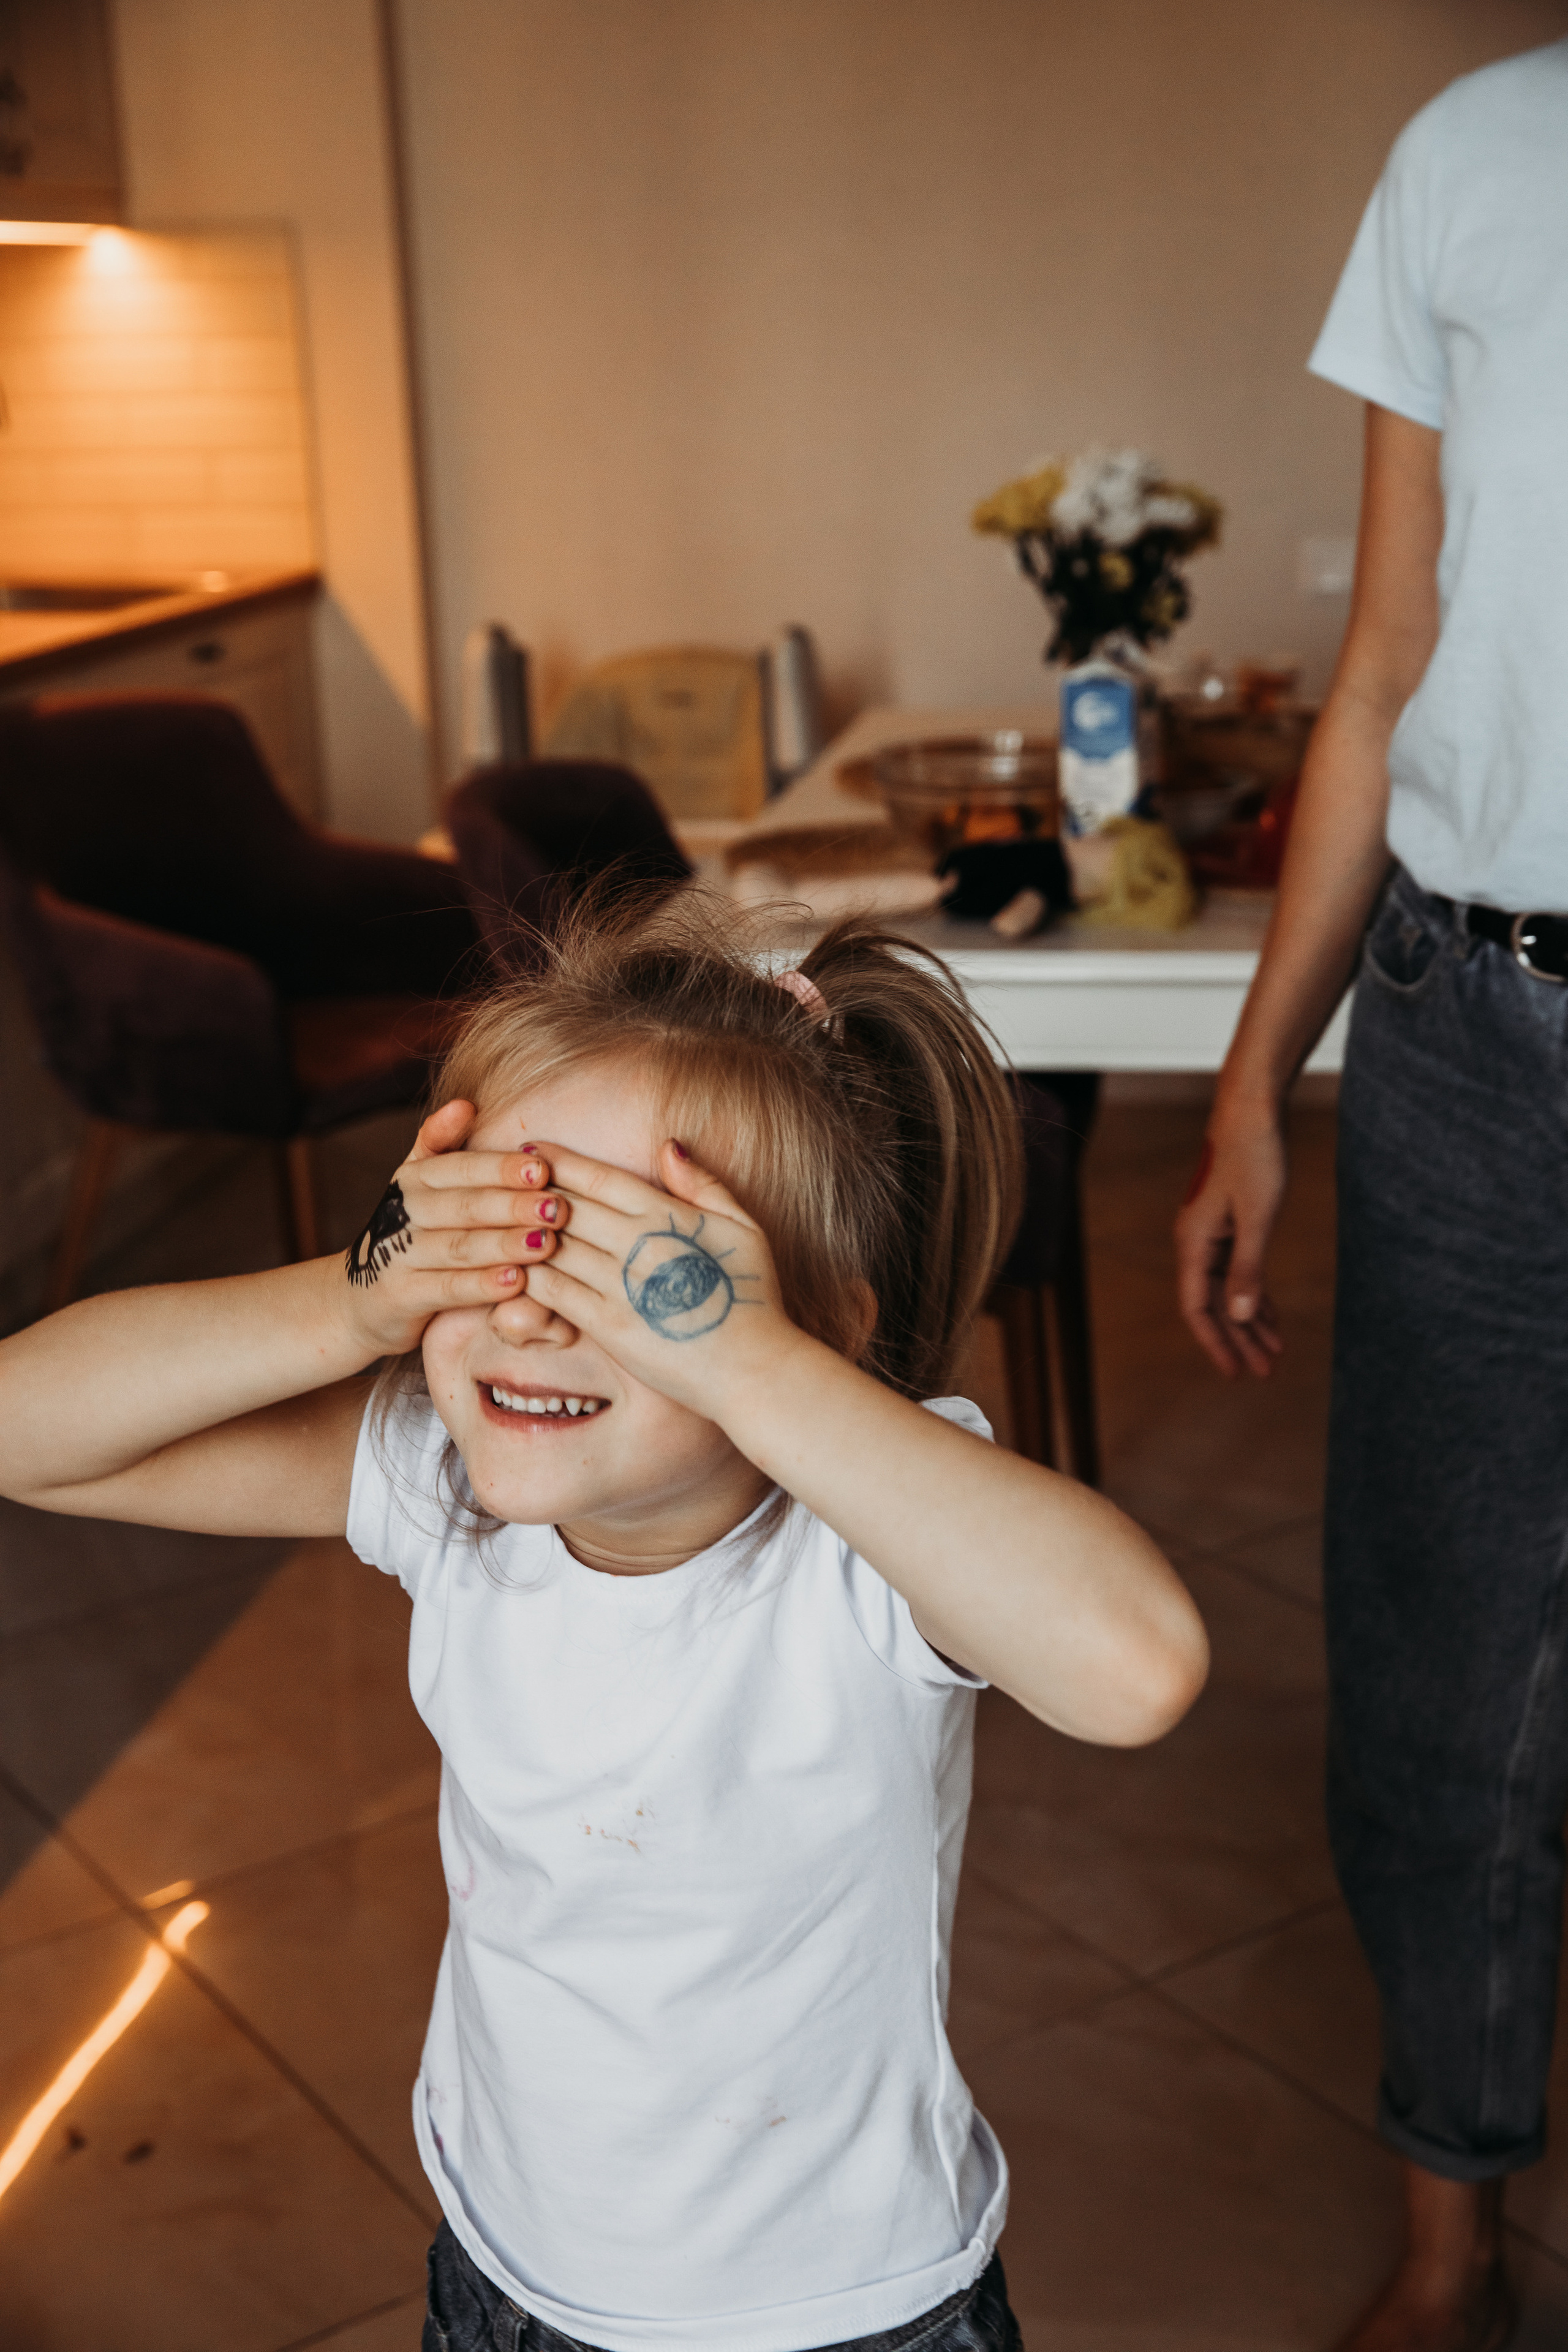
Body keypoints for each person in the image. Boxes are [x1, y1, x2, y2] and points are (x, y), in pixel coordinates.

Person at [0, 896, 1207, 2352]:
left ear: (804, 1341)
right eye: (492, 1248)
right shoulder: (437, 1487)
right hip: (503, 2266)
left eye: (636, 1281)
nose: (527, 1318)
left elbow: (1135, 1667)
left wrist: (754, 1369)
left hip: (831, 2318)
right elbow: (26, 1429)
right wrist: (359, 1294)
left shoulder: (858, 1547)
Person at [1174, 37, 1568, 2352]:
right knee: (1444, 1682)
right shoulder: (1471, 153)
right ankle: (1456, 2212)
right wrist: (1255, 1086)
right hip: (1464, 1039)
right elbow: (1387, 664)